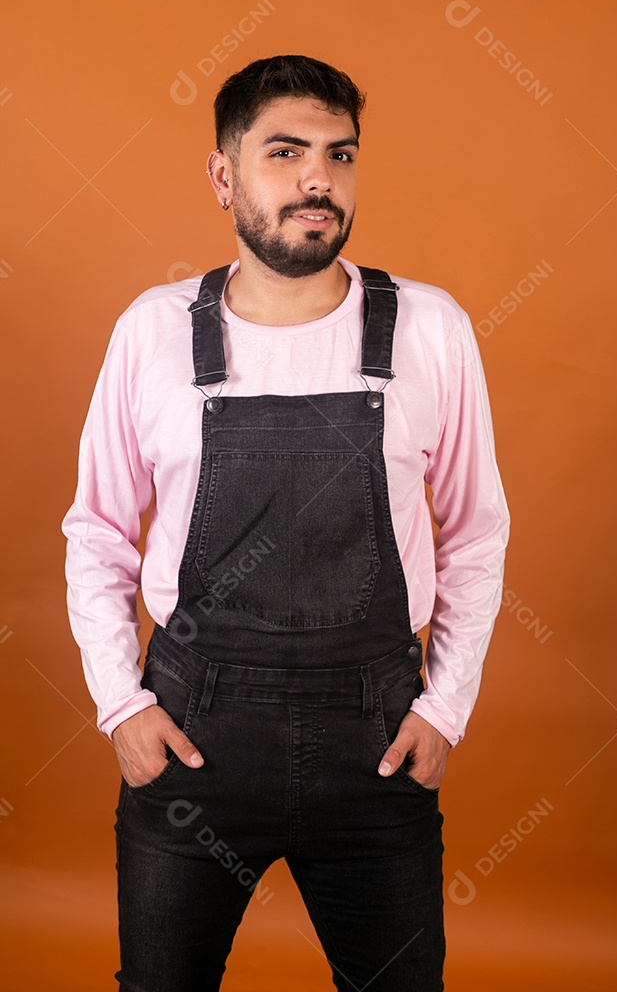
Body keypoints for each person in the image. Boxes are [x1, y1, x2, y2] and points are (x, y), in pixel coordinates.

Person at [61, 54, 510, 992]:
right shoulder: (153, 331)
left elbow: (475, 531)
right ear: (223, 175)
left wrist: (444, 710)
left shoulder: (430, 329)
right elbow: (98, 530)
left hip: (375, 740)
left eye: (340, 155)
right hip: (193, 733)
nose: (319, 180)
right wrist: (122, 708)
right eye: (285, 152)